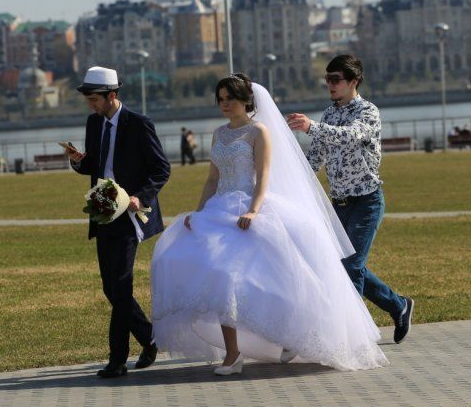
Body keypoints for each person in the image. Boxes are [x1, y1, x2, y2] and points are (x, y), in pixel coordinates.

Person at [151, 73, 388, 375]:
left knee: (265, 278)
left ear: (246, 100)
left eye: (231, 99)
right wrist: (198, 213)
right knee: (211, 274)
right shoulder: (218, 134)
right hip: (219, 208)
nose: (225, 104)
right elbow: (212, 179)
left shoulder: (258, 131)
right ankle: (232, 353)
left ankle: (291, 334)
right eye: (221, 99)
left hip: (249, 206)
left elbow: (263, 176)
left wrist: (253, 210)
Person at [286, 54, 414, 344]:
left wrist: (312, 127)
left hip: (366, 202)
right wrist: (288, 175)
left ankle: (352, 338)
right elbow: (315, 157)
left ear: (353, 81)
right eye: (327, 80)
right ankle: (398, 305)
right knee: (345, 266)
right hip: (338, 206)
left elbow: (351, 136)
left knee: (351, 268)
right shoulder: (329, 115)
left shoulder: (368, 112)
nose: (330, 85)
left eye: (336, 79)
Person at [64, 66, 171, 379]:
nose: (90, 105)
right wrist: (78, 161)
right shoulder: (93, 123)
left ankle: (117, 360)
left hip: (130, 210)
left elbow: (161, 169)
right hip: (103, 205)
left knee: (121, 284)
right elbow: (96, 167)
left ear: (112, 96)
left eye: (94, 99)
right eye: (88, 99)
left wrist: (141, 196)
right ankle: (149, 338)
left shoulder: (139, 124)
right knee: (111, 286)